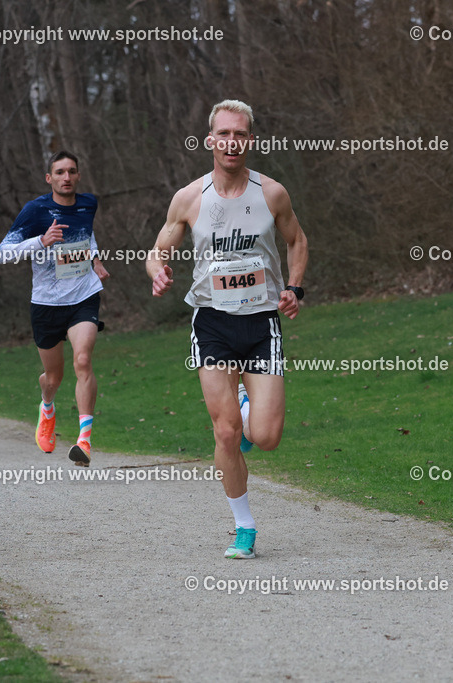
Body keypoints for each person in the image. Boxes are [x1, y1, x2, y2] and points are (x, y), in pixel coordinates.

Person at [146, 100, 309, 559]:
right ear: (210, 141)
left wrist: (295, 288)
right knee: (225, 432)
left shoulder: (272, 193)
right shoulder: (190, 198)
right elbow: (156, 250)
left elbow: (297, 240)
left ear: (250, 140)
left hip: (261, 323)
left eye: (240, 134)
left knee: (266, 437)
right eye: (224, 133)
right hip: (212, 321)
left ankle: (244, 403)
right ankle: (244, 527)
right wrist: (157, 270)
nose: (232, 141)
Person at [0, 151, 109, 466]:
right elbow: (2, 254)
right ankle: (47, 405)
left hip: (83, 296)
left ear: (78, 175)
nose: (66, 177)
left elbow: (86, 234)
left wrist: (95, 259)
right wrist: (40, 242)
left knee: (83, 360)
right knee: (54, 377)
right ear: (50, 178)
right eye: (59, 172)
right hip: (46, 304)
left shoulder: (89, 203)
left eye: (72, 171)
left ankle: (84, 441)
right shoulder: (35, 210)